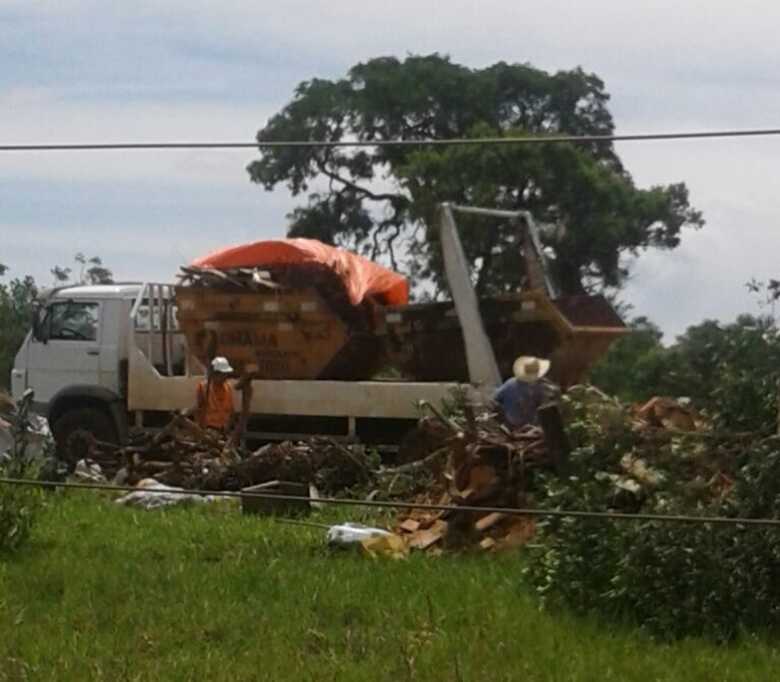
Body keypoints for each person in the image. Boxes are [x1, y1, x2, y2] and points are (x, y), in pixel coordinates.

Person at [493, 355, 556, 428]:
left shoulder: (510, 383)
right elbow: (547, 401)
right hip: (530, 425)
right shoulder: (537, 386)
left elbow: (494, 401)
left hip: (513, 425)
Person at [195, 356, 236, 434]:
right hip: (209, 429)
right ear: (215, 373)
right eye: (223, 374)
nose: (225, 377)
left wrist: (229, 426)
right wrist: (201, 429)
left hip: (225, 429)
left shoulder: (228, 387)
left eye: (226, 374)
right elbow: (198, 410)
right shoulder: (203, 387)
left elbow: (231, 411)